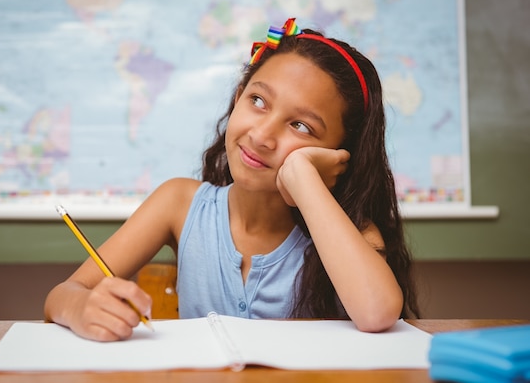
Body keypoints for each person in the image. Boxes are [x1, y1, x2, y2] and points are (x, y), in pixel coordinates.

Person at [44, 18, 420, 342]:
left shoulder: (353, 234)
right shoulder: (180, 203)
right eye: (258, 101)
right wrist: (80, 307)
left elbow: (377, 312)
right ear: (239, 96)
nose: (261, 135)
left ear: (339, 154)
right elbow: (62, 295)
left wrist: (303, 178)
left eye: (301, 126)